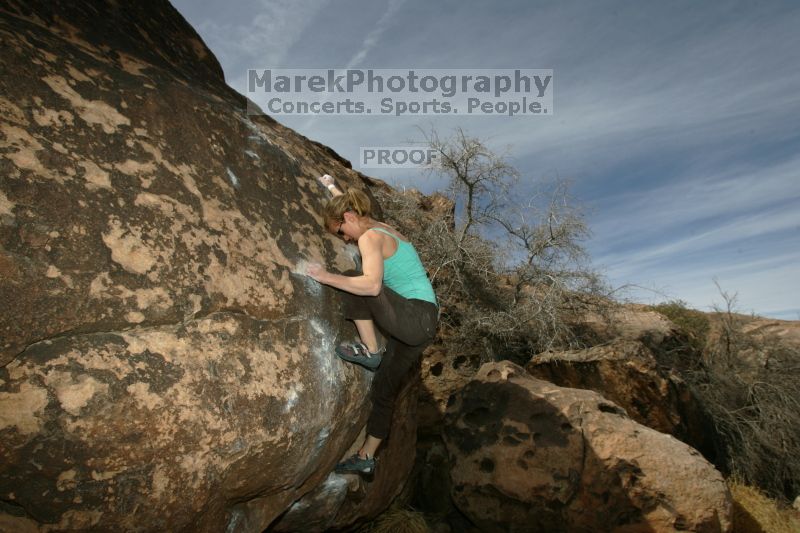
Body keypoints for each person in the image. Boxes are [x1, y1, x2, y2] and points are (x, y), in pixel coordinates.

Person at [305, 174, 438, 475]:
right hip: (420, 329)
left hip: (415, 316)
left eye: (341, 230)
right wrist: (330, 186)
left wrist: (324, 276)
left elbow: (372, 286)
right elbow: (351, 209)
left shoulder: (370, 237)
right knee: (383, 389)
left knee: (357, 278)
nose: (345, 238)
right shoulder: (380, 226)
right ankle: (367, 457)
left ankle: (371, 350)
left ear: (349, 217)